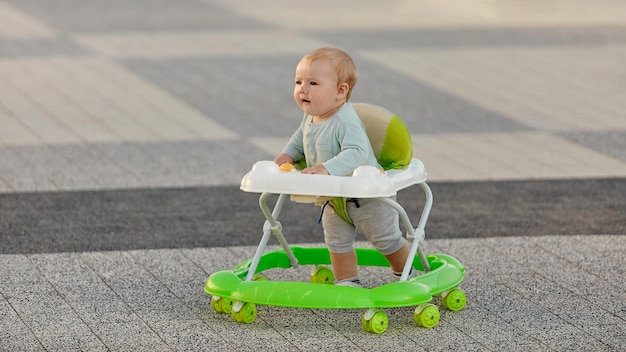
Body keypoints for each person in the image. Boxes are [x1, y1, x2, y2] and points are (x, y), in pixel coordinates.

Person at [274, 47, 414, 287]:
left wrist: (326, 168)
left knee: (386, 240)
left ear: (340, 91)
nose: (302, 89)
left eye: (313, 83)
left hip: (368, 196)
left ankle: (405, 272)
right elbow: (300, 139)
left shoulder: (344, 119)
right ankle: (347, 282)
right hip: (334, 197)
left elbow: (357, 152)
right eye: (298, 82)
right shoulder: (312, 115)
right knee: (337, 243)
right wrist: (287, 155)